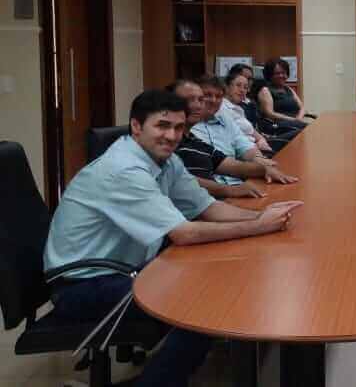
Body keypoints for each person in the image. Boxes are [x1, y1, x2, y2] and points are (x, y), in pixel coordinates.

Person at [43, 89, 304, 387]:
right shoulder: (123, 170)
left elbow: (208, 208)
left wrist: (264, 217)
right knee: (202, 306)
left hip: (123, 269)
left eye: (179, 127)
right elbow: (183, 233)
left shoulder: (166, 162)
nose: (172, 136)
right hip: (81, 285)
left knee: (216, 279)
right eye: (162, 125)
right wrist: (259, 226)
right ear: (136, 126)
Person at [170, 79, 297, 195]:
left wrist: (264, 169)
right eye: (190, 100)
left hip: (230, 190)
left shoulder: (193, 140)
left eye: (200, 99)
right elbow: (184, 182)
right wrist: (231, 190)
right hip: (214, 198)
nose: (198, 105)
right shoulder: (171, 141)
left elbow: (232, 163)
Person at [222, 69, 278, 153]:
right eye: (238, 85)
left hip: (259, 145)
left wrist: (262, 140)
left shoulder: (238, 109)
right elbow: (234, 141)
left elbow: (252, 131)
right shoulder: (222, 108)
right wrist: (257, 147)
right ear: (227, 87)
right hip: (249, 151)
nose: (242, 90)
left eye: (245, 87)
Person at [257, 58, 308, 129]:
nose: (281, 75)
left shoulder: (288, 88)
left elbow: (302, 107)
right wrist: (293, 120)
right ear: (270, 75)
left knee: (314, 127)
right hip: (277, 126)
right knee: (309, 129)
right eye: (277, 73)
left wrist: (299, 118)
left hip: (294, 124)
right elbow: (269, 113)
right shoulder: (265, 90)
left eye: (283, 73)